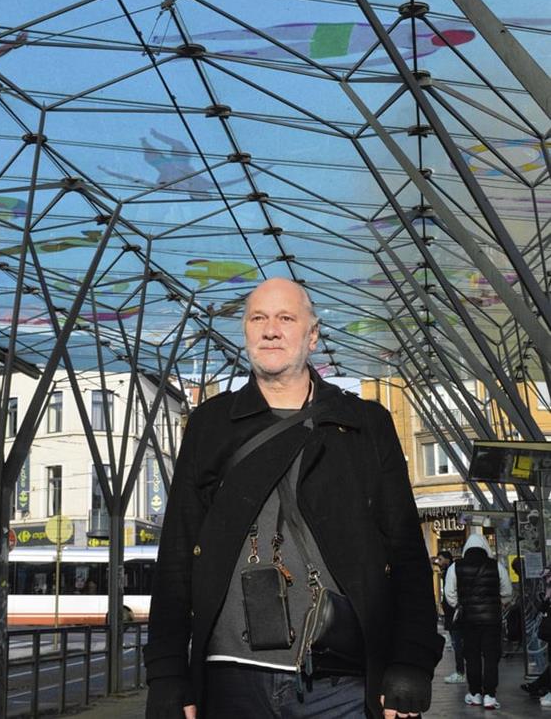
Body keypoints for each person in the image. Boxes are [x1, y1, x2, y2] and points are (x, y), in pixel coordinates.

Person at [144, 277, 443, 718]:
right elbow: (175, 556)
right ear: (245, 331)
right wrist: (167, 675)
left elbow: (406, 552)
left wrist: (412, 660)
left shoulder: (363, 424)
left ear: (313, 335)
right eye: (258, 318)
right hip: (230, 678)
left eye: (286, 318)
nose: (271, 329)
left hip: (340, 679)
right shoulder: (211, 424)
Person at [444, 532, 512, 710]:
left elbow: (449, 593)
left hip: (468, 620)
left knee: (472, 656)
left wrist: (458, 604)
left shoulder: (455, 567)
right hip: (492, 620)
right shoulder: (496, 566)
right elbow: (507, 591)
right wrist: (499, 604)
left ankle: (475, 694)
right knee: (491, 656)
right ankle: (490, 695)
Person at [436, 550, 465, 684]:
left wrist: (453, 605)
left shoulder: (451, 571)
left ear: (447, 559)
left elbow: (450, 593)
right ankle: (462, 671)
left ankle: (461, 672)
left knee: (457, 643)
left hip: (454, 613)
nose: (439, 562)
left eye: (441, 559)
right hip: (454, 612)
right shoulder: (449, 571)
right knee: (458, 643)